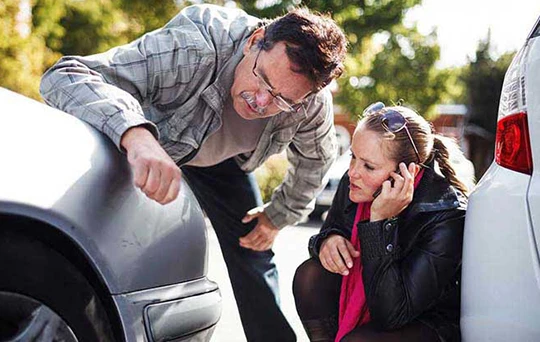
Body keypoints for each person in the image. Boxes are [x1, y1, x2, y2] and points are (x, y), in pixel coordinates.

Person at [40, 4, 347, 341]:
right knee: (102, 239)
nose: (260, 102)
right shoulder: (194, 47)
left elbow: (315, 163)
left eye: (281, 100)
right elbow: (67, 75)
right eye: (262, 80)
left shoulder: (310, 105)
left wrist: (278, 215)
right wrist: (136, 135)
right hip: (150, 141)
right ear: (254, 41)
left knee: (254, 253)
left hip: (223, 164)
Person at [293, 102, 468, 342]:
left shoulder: (445, 215)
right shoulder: (356, 182)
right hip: (376, 296)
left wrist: (380, 222)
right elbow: (330, 230)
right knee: (310, 276)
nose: (353, 171)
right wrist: (327, 241)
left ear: (408, 173)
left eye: (369, 166)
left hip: (427, 322)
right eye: (354, 156)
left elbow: (392, 314)